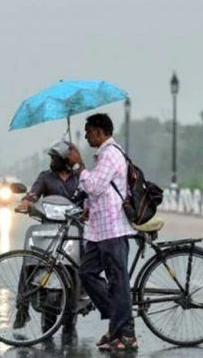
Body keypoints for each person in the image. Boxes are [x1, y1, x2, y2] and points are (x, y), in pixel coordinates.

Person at [68, 113, 138, 352]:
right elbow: (100, 190)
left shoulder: (110, 154)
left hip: (113, 228)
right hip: (99, 230)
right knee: (87, 272)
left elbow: (95, 186)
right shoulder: (103, 156)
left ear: (99, 132)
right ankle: (117, 321)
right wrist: (87, 207)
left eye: (88, 131)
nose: (86, 135)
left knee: (119, 282)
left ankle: (126, 334)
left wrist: (79, 166)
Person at [13, 141, 81, 333]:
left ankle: (74, 310)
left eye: (56, 158)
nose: (52, 161)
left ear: (66, 160)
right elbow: (33, 194)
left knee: (78, 269)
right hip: (48, 230)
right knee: (29, 263)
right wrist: (26, 202)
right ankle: (22, 307)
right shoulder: (45, 177)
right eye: (51, 158)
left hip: (73, 231)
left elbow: (90, 197)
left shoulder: (81, 178)